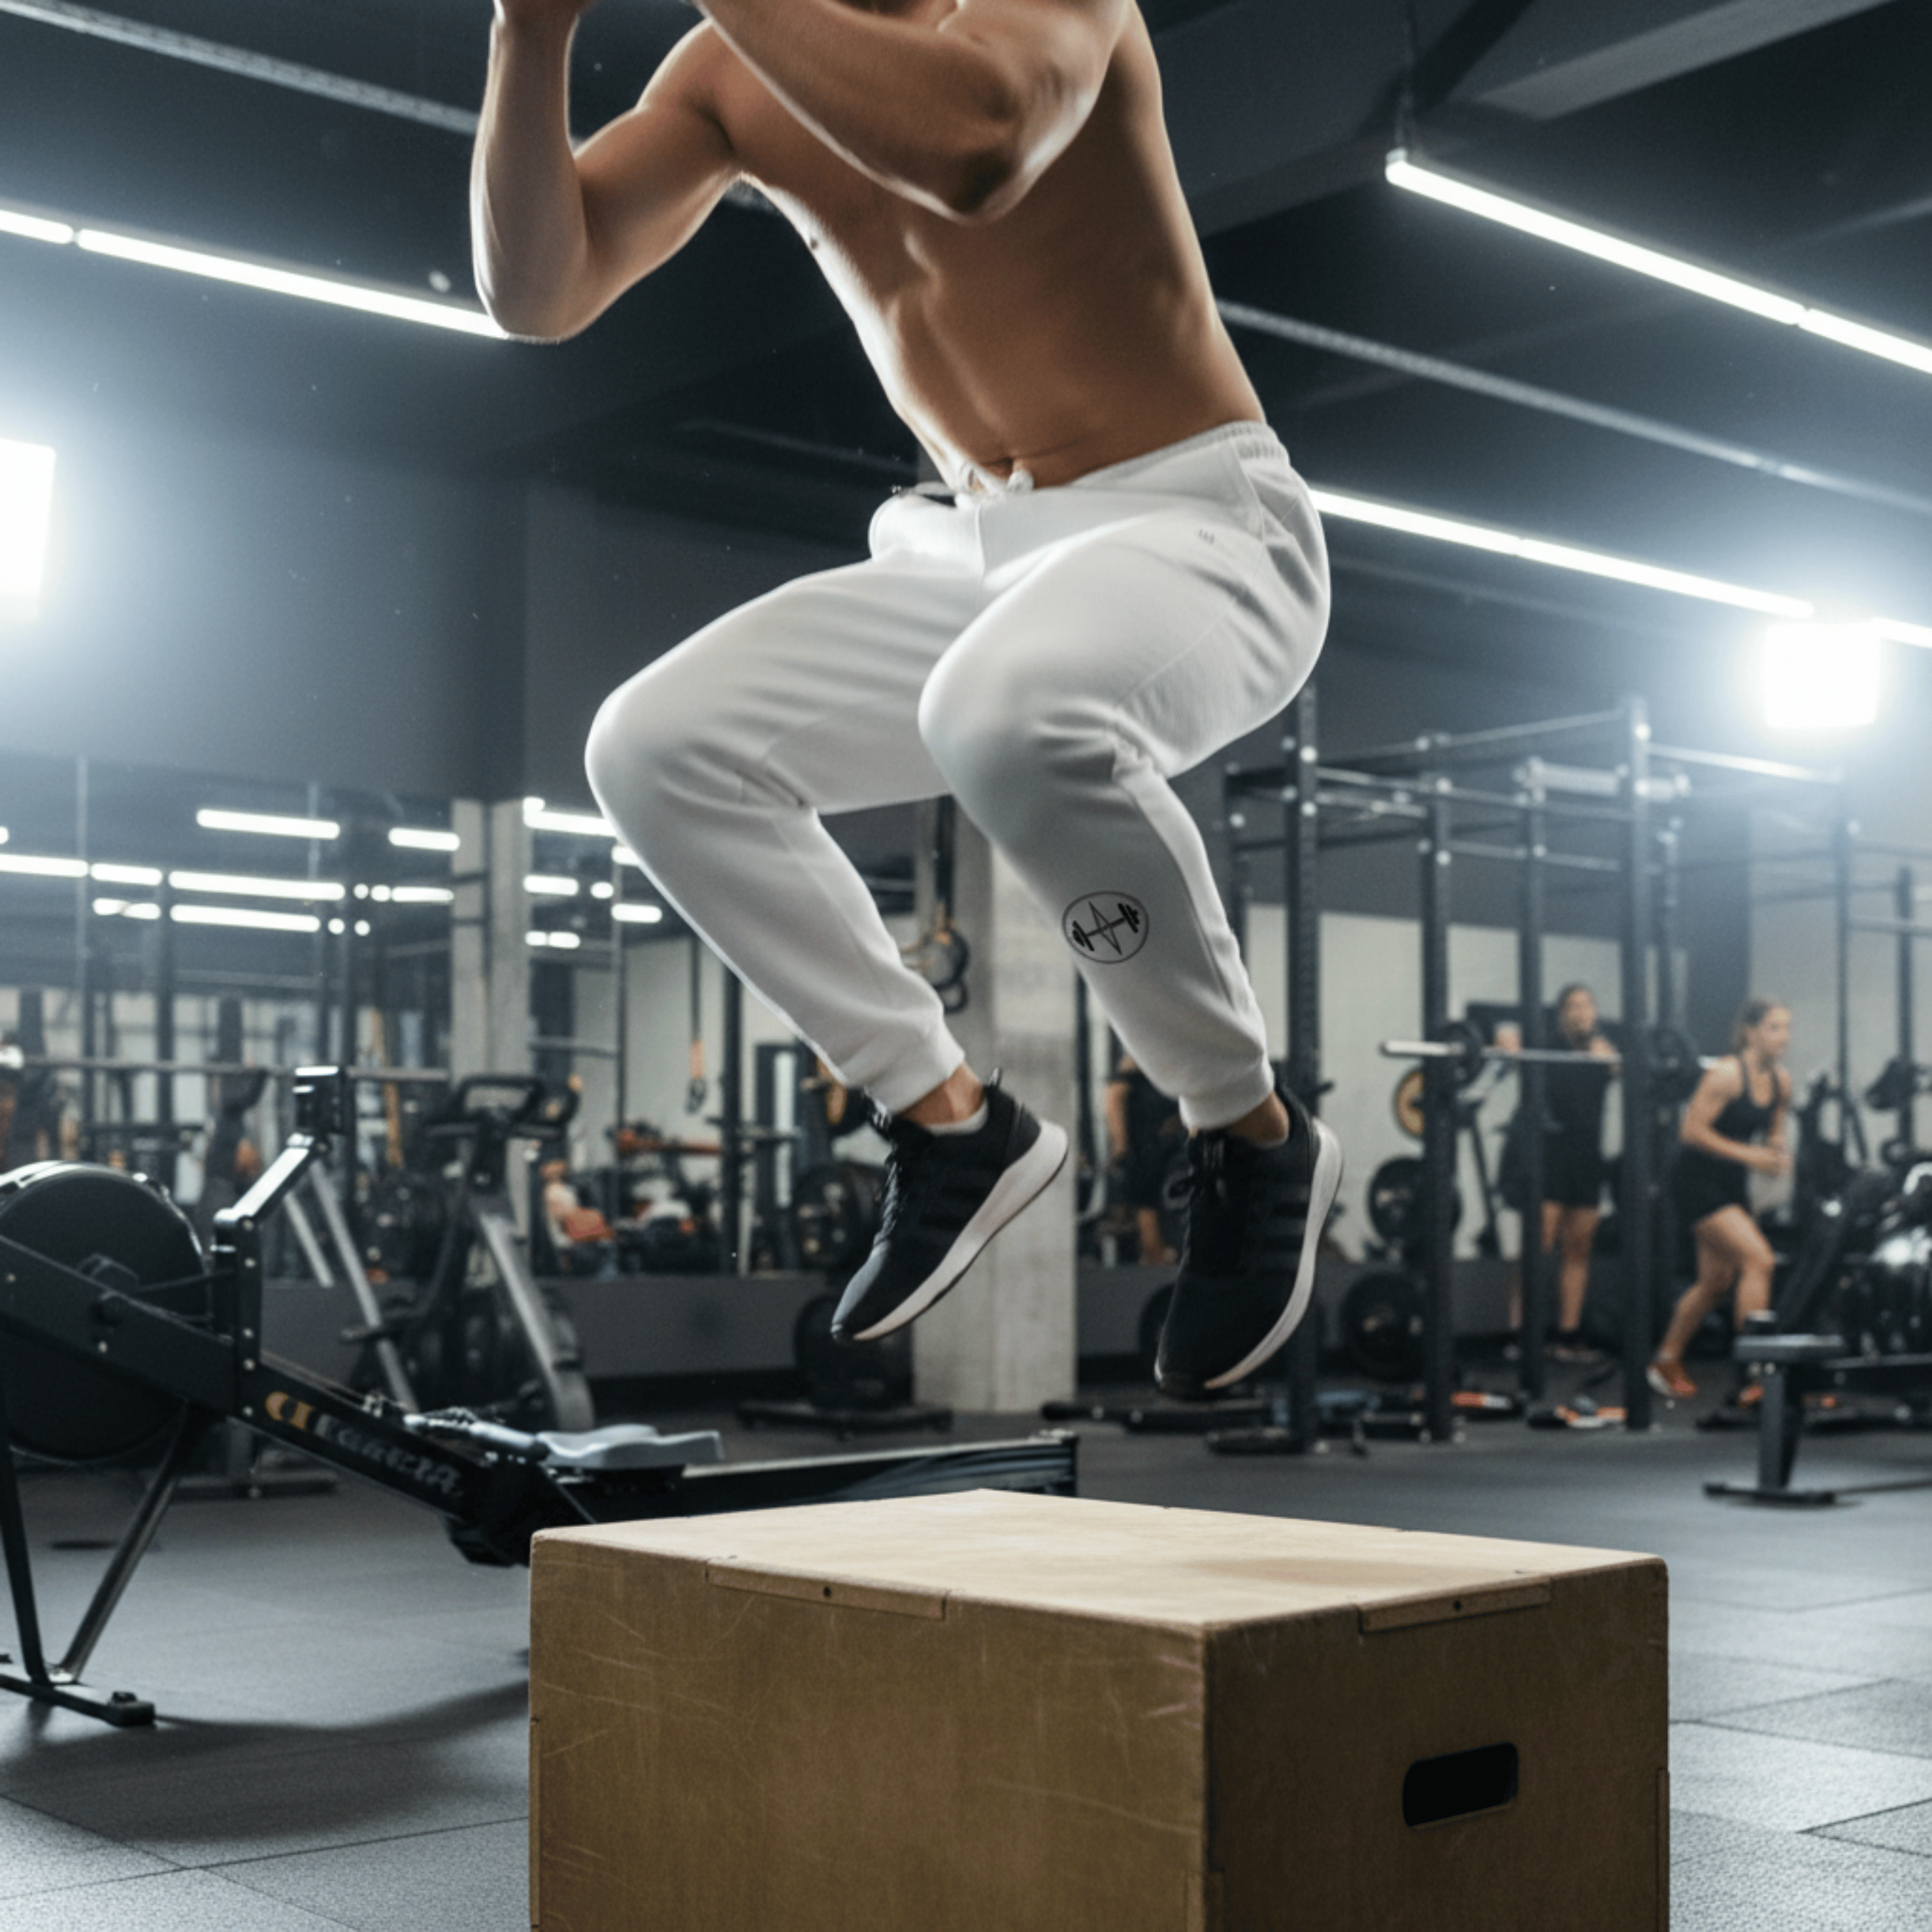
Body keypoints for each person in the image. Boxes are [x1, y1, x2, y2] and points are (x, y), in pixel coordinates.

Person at [473, 0, 1342, 1395]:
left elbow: (977, 149)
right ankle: (950, 1124)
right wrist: (529, 35)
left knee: (999, 716)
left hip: (1199, 522)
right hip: (982, 541)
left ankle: (1248, 1132)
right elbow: (538, 295)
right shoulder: (726, 71)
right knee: (653, 748)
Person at [1648, 998, 1792, 1400]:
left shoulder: (1781, 1081)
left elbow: (1775, 1128)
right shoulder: (1727, 1074)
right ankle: (1752, 1376)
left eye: (1786, 1029)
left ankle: (1666, 1358)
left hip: (1731, 1184)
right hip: (1695, 1180)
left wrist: (1776, 1152)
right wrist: (1752, 1156)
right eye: (1775, 1028)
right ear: (1752, 1032)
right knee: (1758, 1260)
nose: (1784, 1038)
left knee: (1715, 1283)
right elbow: (1691, 1132)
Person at [1496, 985, 1618, 1358]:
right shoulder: (1546, 1045)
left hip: (1587, 1158)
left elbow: (1628, 1071)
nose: (1581, 1013)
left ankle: (1567, 1336)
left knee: (1578, 1249)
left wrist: (1612, 1060)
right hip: (1549, 1155)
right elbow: (1502, 1031)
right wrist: (1507, 1040)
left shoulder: (1603, 1052)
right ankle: (1519, 1335)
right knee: (1538, 1246)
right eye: (1573, 1006)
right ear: (1562, 1013)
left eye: (1588, 1005)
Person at [1103, 1053, 1184, 1267]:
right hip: (1143, 1144)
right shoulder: (1137, 1057)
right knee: (1146, 1198)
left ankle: (1157, 1254)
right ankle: (1153, 1254)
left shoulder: (1179, 1054)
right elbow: (1114, 1096)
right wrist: (1120, 1142)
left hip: (1167, 1144)